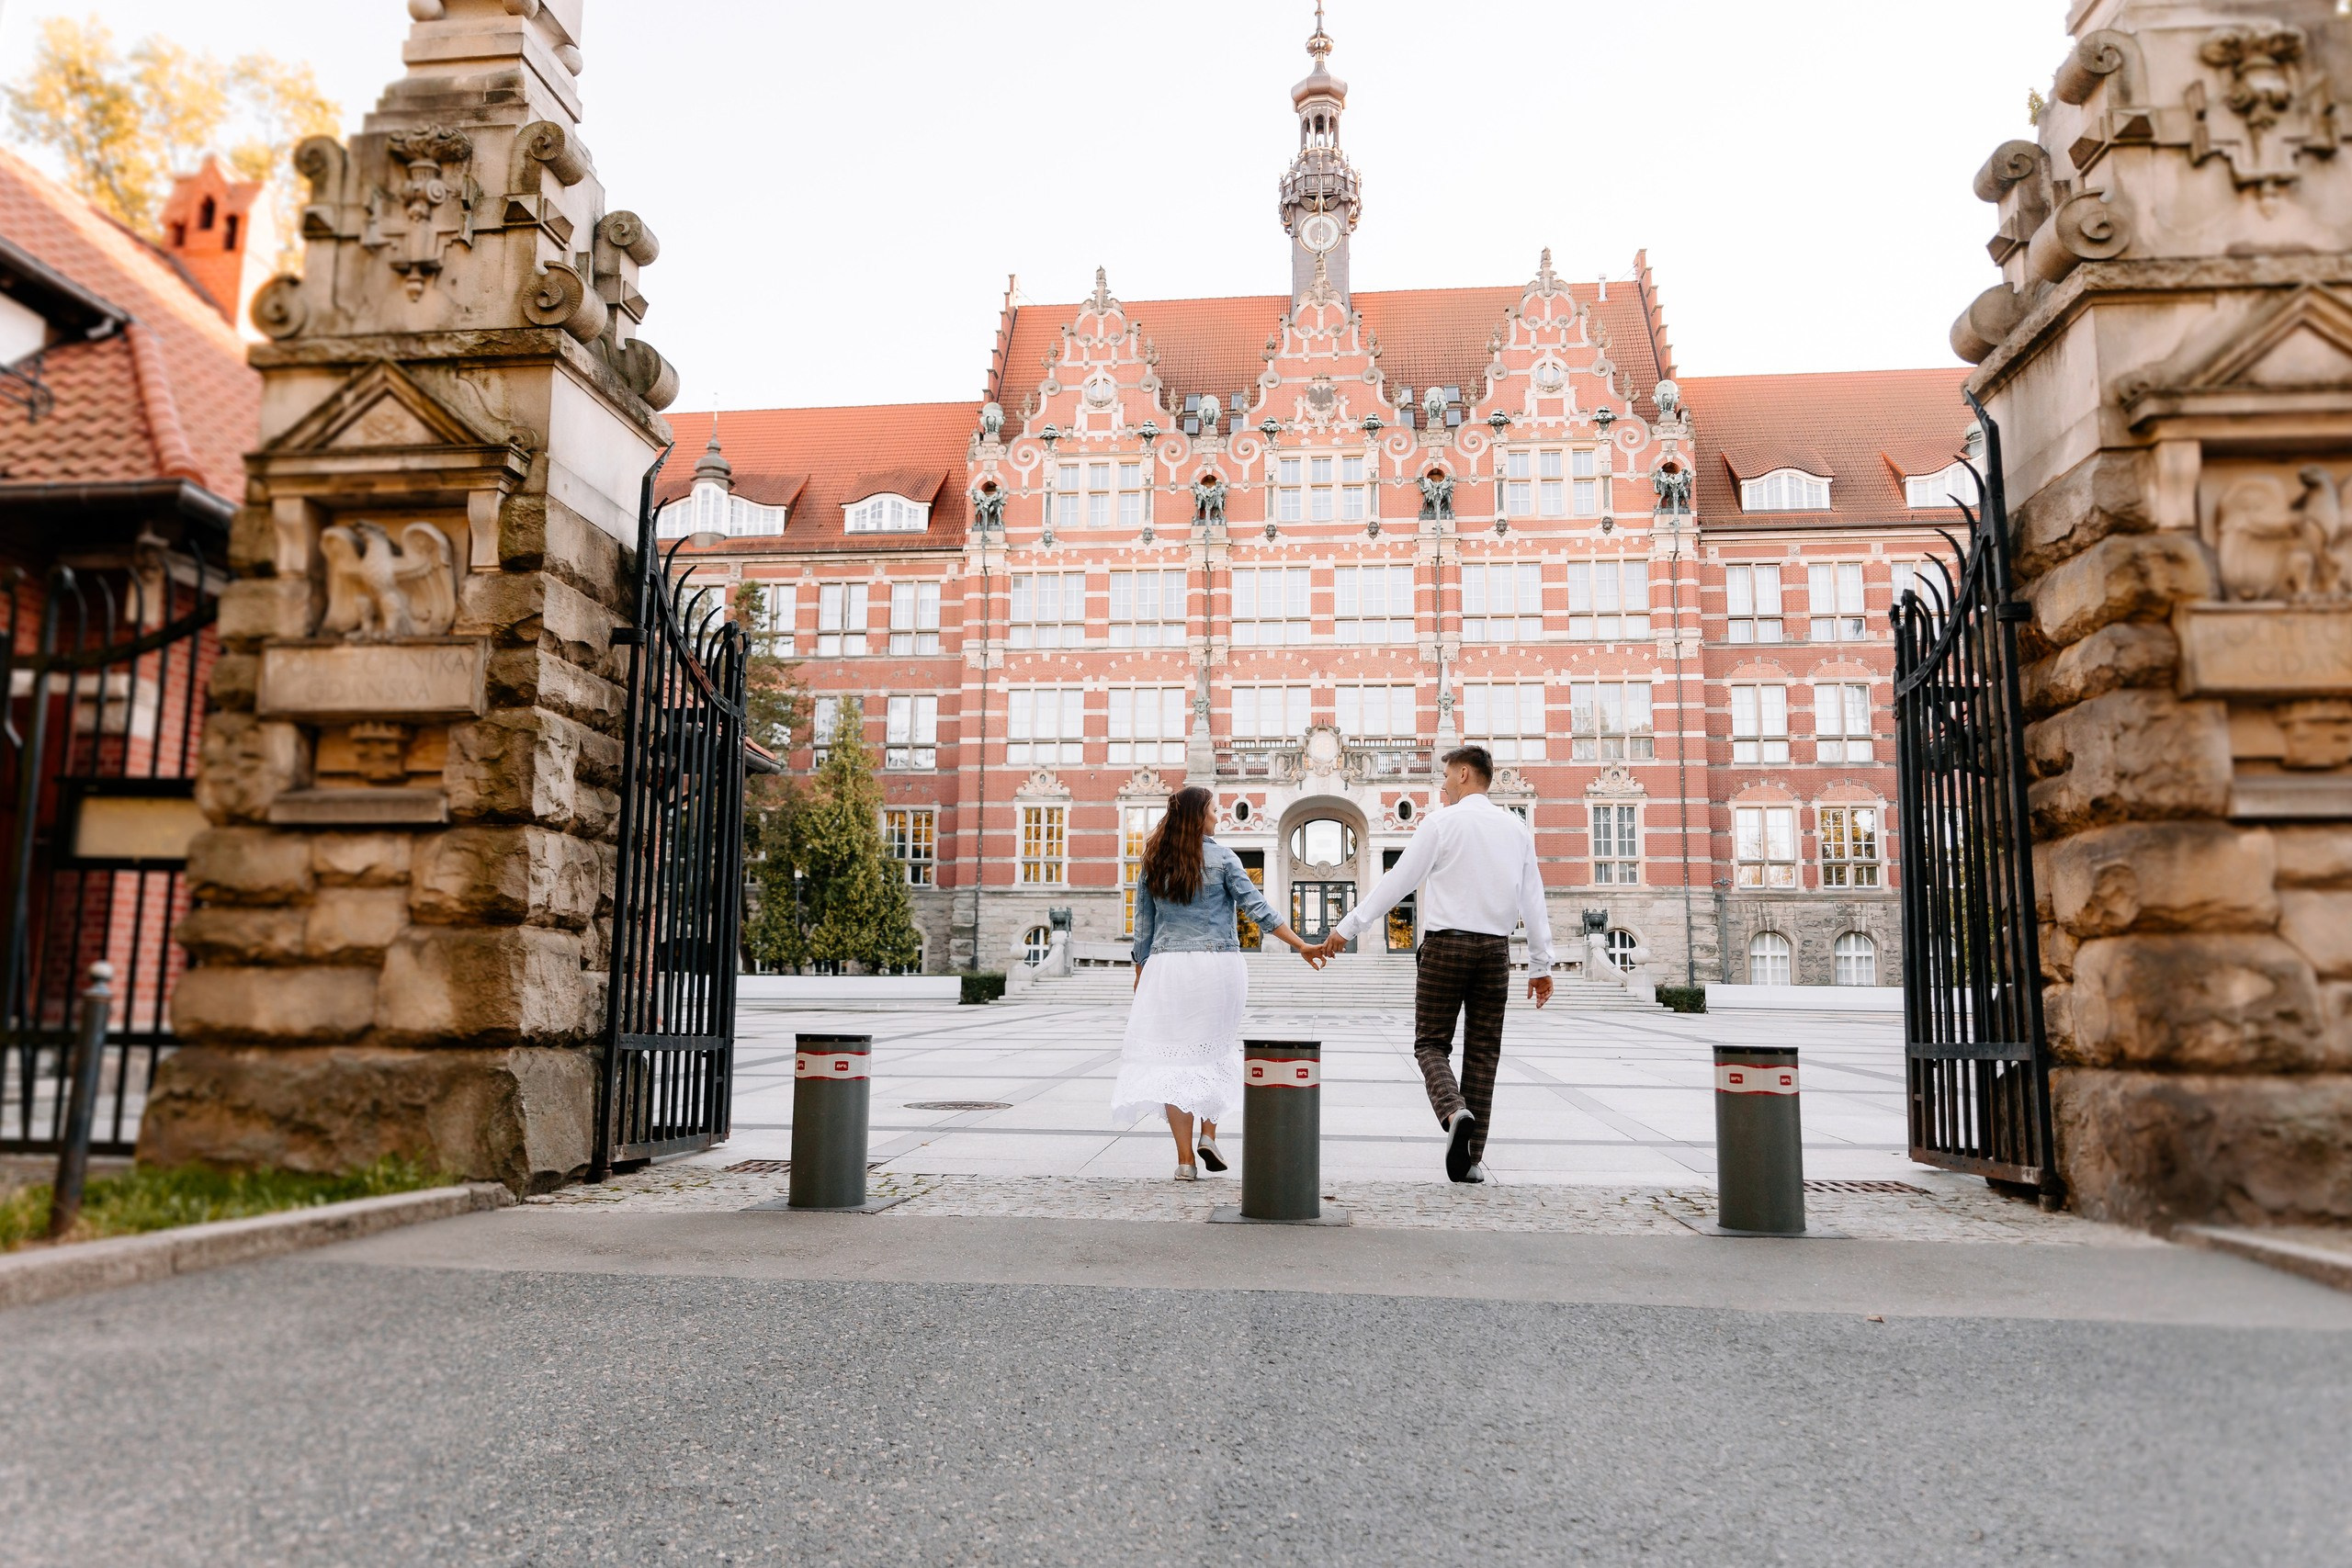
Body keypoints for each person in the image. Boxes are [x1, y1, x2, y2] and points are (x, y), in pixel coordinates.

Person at [1306, 746, 1554, 1184]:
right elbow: (1532, 899)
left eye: (1445, 775)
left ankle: (1454, 1110)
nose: (1441, 784)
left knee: (1430, 1044)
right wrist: (1540, 964)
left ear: (1463, 773)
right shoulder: (1516, 830)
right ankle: (1471, 1161)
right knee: (1484, 1053)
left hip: (1445, 947)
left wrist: (1347, 927)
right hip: (1496, 952)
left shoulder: (1441, 823)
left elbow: (1397, 882)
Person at [1114, 784, 1322, 1179]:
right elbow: (1257, 908)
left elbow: (1143, 927)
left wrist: (1141, 973)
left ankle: (1184, 1162)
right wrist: (1301, 945)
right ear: (1199, 815)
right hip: (1218, 966)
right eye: (1213, 810)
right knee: (1215, 1052)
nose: (1218, 816)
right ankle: (1208, 1133)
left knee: (1174, 1061)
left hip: (1167, 969)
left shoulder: (1154, 860)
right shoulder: (1223, 857)